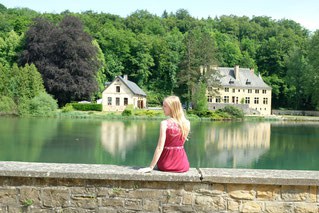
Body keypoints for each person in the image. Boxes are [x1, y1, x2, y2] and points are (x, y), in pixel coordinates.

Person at [138, 95, 190, 173]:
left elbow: (160, 147)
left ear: (172, 108)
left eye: (165, 106)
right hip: (183, 165)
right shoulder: (187, 123)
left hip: (166, 164)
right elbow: (180, 144)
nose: (163, 108)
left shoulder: (165, 123)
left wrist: (151, 167)